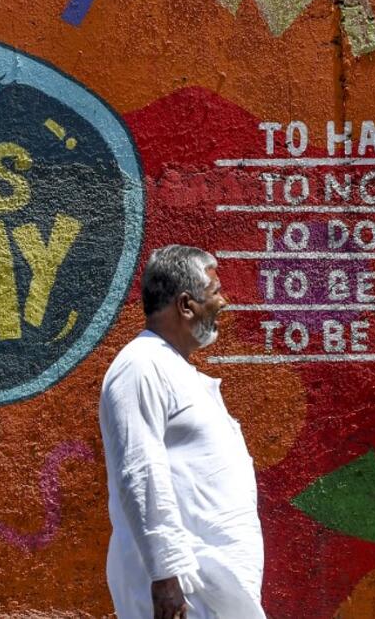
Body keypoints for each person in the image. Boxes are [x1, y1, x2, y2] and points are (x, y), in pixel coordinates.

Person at [99, 245, 265, 619]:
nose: (223, 301)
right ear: (186, 305)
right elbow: (140, 471)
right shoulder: (141, 367)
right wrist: (166, 575)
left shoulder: (172, 368)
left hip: (208, 589)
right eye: (215, 291)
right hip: (183, 590)